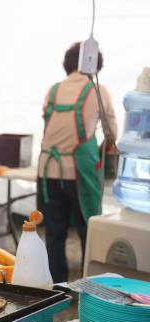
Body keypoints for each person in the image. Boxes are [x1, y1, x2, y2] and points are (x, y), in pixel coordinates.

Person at [37, 42, 118, 283]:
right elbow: (112, 130)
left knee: (53, 233)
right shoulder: (98, 90)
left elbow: (48, 127)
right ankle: (87, 287)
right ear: (94, 66)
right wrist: (105, 146)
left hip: (47, 171)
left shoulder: (53, 90)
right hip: (79, 172)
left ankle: (58, 287)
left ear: (68, 65)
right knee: (87, 230)